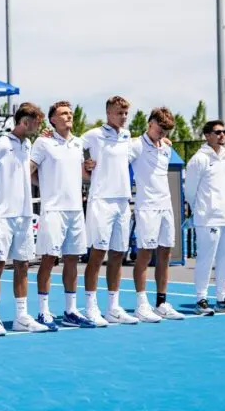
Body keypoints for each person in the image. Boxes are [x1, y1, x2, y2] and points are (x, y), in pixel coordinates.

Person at [0, 103, 49, 335]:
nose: (39, 126)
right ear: (24, 121)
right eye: (36, 122)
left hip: (23, 214)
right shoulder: (0, 144)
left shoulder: (28, 144)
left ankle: (21, 316)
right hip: (1, 215)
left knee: (23, 265)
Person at [31, 101, 96, 330]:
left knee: (72, 259)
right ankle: (43, 311)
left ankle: (70, 311)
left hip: (76, 210)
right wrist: (46, 186)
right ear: (53, 120)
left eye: (70, 113)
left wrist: (89, 169)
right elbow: (28, 172)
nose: (68, 116)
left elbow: (83, 178)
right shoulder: (43, 142)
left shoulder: (78, 144)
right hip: (53, 211)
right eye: (63, 114)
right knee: (48, 259)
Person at [81, 96, 138, 326]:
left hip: (123, 202)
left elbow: (145, 145)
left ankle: (113, 307)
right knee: (97, 254)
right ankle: (90, 307)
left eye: (125, 113)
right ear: (108, 113)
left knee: (117, 255)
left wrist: (164, 141)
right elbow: (74, 147)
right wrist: (85, 162)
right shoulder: (93, 135)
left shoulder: (127, 136)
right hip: (101, 201)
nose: (123, 117)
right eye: (119, 113)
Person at [128, 107, 186, 321]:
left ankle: (161, 303)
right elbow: (113, 158)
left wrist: (164, 140)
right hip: (146, 208)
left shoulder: (166, 148)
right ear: (150, 123)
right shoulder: (134, 145)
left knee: (165, 254)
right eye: (160, 129)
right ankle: (141, 305)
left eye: (166, 131)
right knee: (145, 254)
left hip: (166, 207)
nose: (163, 134)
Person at [185, 120, 225, 314]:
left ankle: (221, 298)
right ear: (207, 135)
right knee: (205, 260)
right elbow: (190, 191)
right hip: (207, 218)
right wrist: (199, 210)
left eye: (224, 132)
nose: (222, 135)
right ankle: (201, 299)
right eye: (218, 132)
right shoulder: (199, 159)